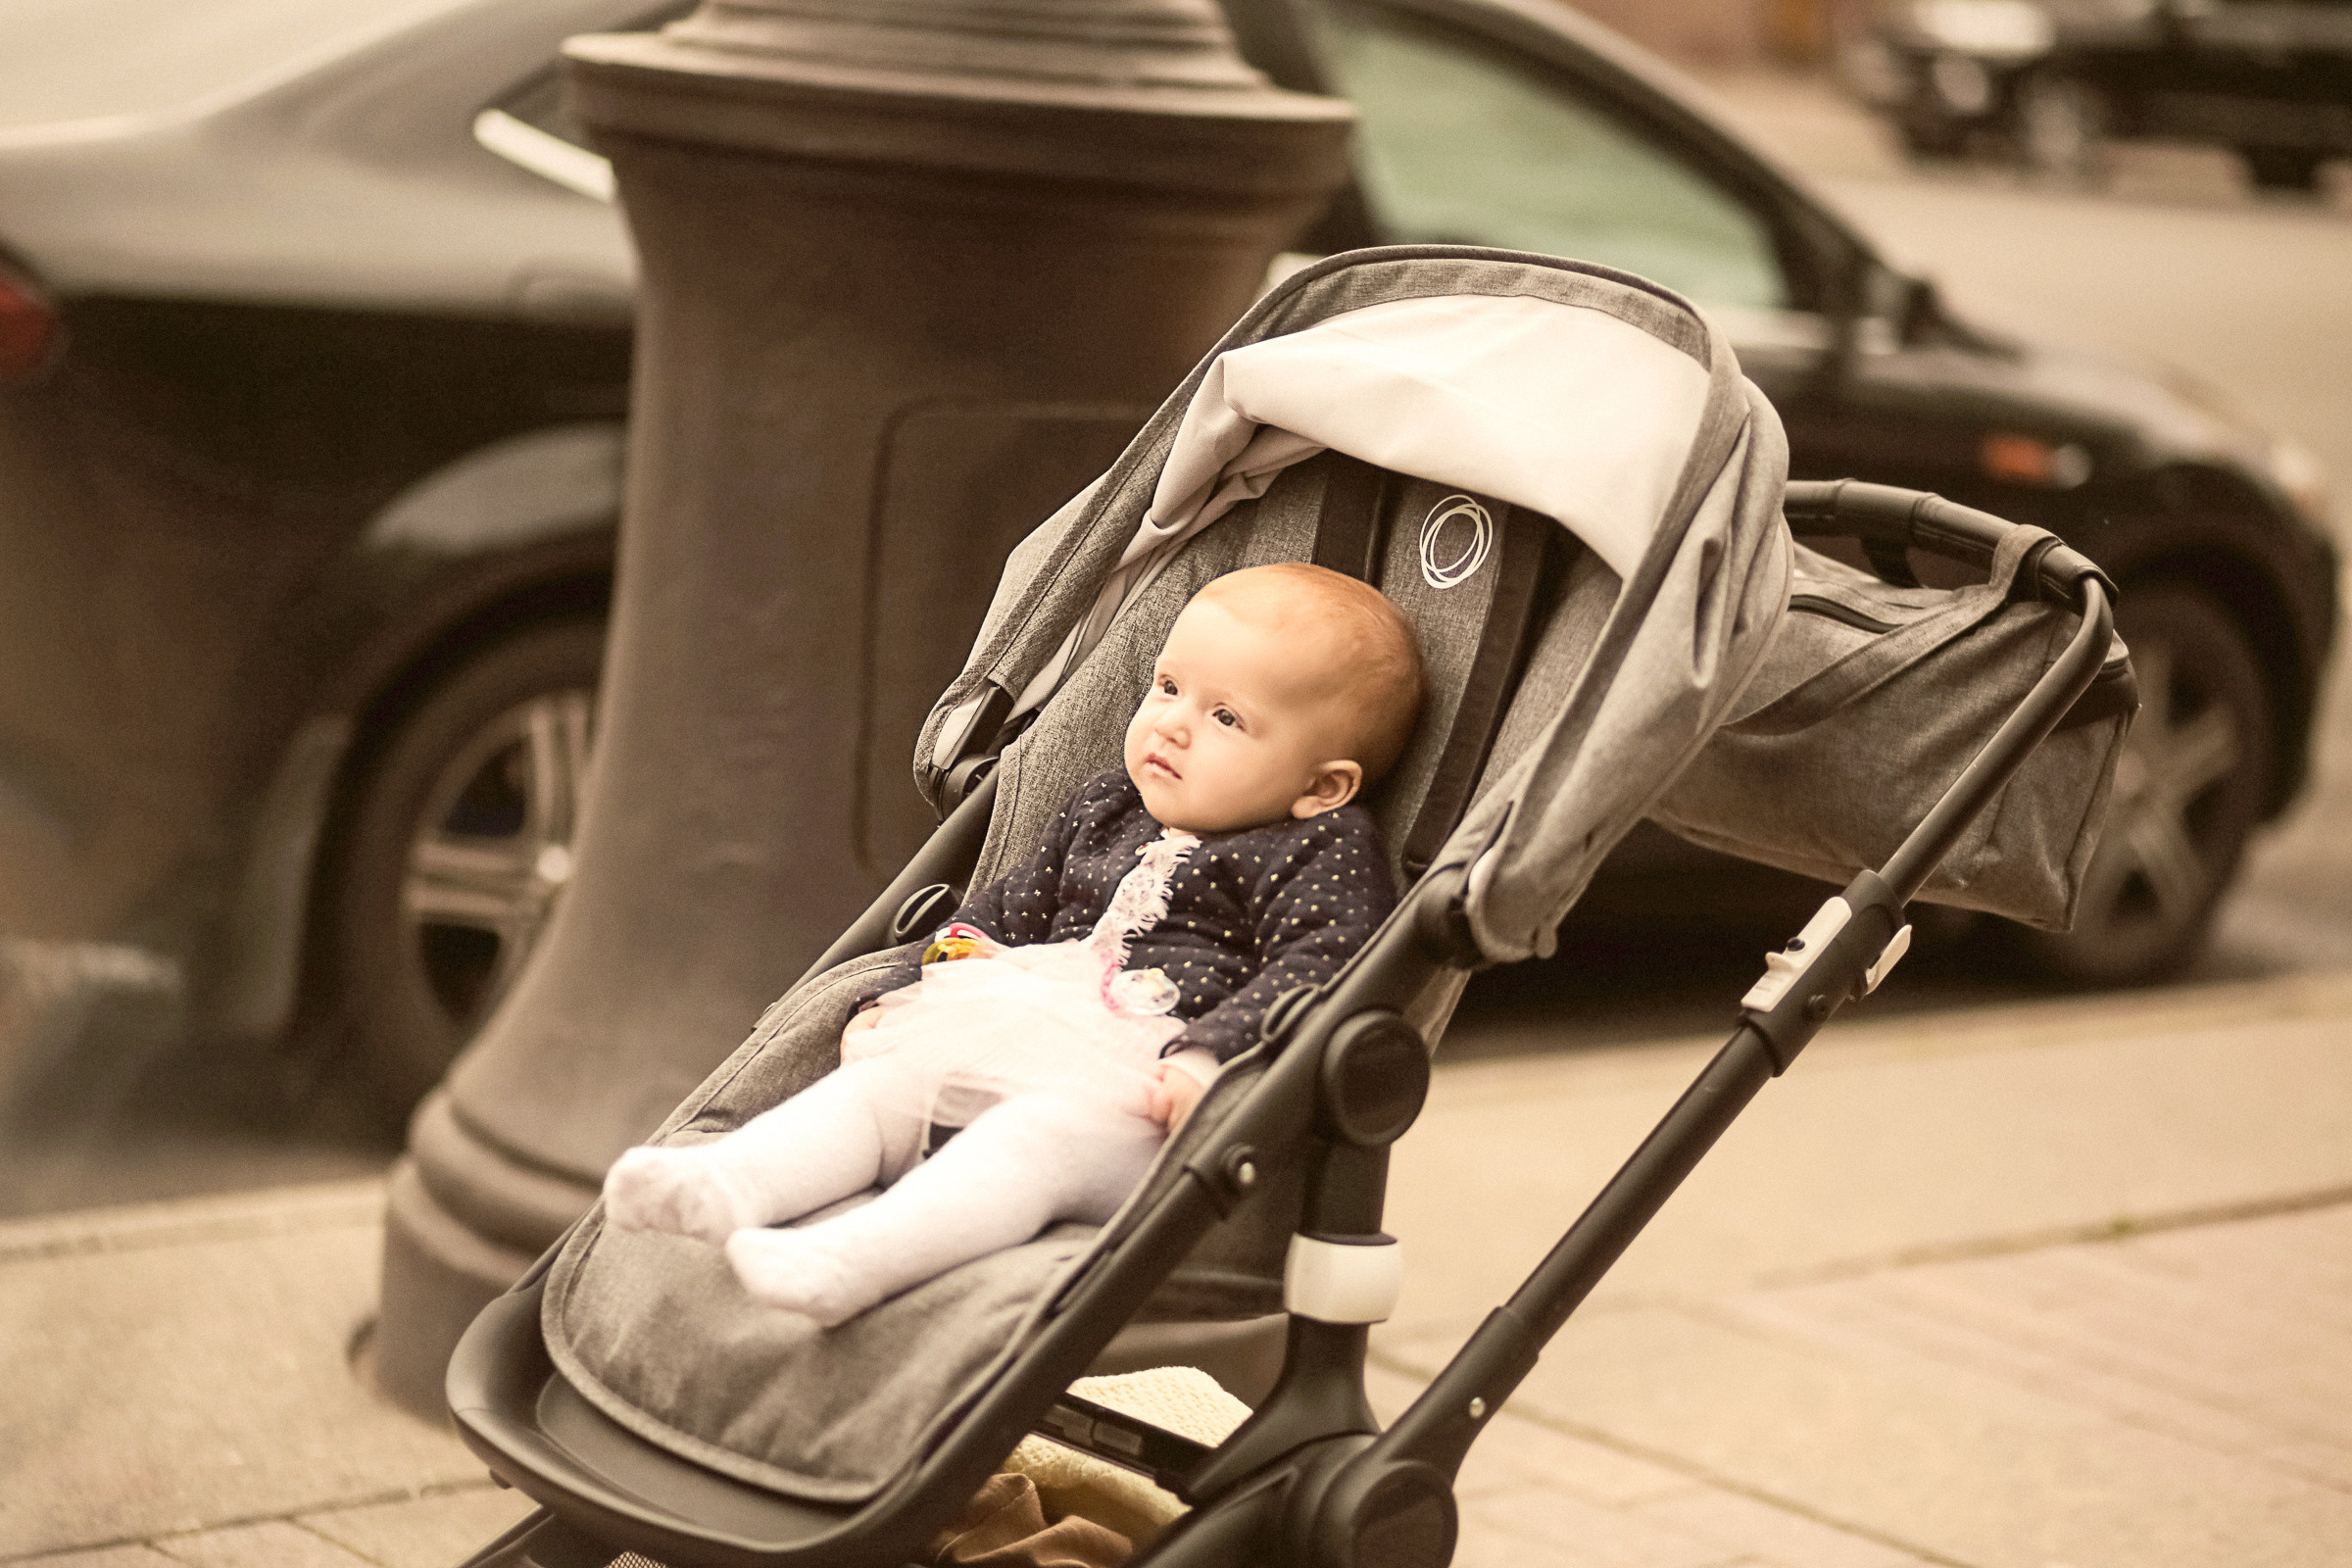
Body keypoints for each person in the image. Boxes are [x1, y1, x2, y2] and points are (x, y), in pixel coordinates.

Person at [602, 562, 1425, 1326]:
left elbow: (1323, 965)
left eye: (1225, 717)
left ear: (1323, 786)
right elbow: (1006, 912)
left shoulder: (1316, 852)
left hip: (1142, 1106)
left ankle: (856, 1260)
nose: (1170, 725)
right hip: (1015, 1031)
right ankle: (730, 1181)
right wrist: (931, 982)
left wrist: (1214, 1057)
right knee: (882, 1088)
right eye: (1168, 687)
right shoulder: (1104, 808)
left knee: (1032, 1144)